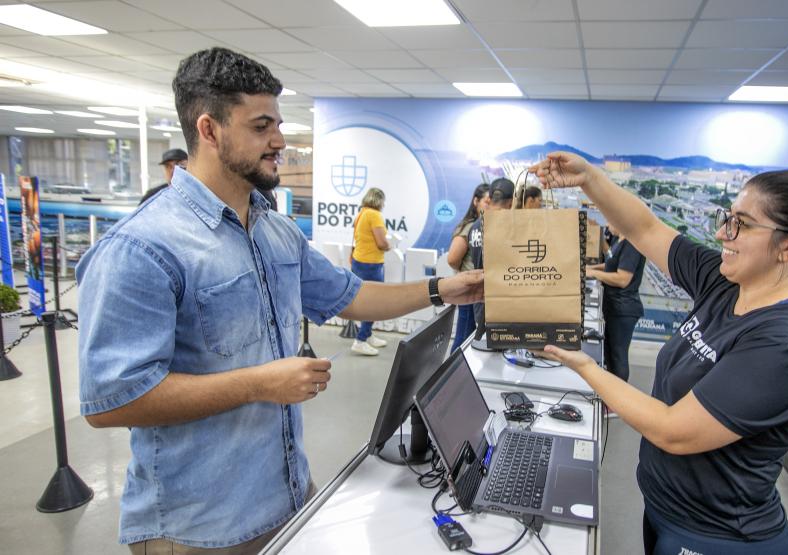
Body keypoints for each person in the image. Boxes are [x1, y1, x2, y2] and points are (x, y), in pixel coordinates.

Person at [76, 47, 482, 554]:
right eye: (261, 126)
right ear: (209, 130)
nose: (280, 142)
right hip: (199, 529)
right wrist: (259, 383)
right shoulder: (142, 248)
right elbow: (113, 400)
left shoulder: (276, 232)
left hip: (288, 499)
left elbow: (350, 296)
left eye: (279, 125)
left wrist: (441, 289)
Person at [531, 152, 788, 555]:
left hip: (717, 536)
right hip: (668, 511)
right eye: (728, 217)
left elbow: (673, 430)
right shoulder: (726, 284)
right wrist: (588, 177)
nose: (723, 233)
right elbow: (644, 228)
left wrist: (584, 364)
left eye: (742, 224)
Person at [586, 223, 645, 382]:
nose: (607, 224)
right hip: (613, 305)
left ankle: (619, 393)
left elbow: (622, 279)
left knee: (618, 357)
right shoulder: (619, 241)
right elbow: (611, 264)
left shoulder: (632, 245)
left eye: (610, 220)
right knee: (610, 354)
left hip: (623, 309)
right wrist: (591, 268)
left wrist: (593, 274)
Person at [446, 183, 489, 352]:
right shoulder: (471, 226)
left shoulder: (486, 225)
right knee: (463, 337)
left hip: (479, 290)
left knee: (471, 337)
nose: (490, 206)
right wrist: (466, 272)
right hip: (469, 289)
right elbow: (452, 259)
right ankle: (452, 367)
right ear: (476, 201)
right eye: (487, 202)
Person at [468, 178, 514, 335]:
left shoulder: (475, 226)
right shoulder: (509, 226)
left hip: (480, 303)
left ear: (489, 198)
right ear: (512, 201)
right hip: (503, 305)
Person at [350, 187, 390, 356]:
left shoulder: (362, 213)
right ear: (379, 200)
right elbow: (381, 243)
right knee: (375, 302)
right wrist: (390, 245)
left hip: (359, 261)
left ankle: (368, 334)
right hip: (371, 264)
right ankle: (360, 340)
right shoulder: (374, 215)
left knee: (366, 300)